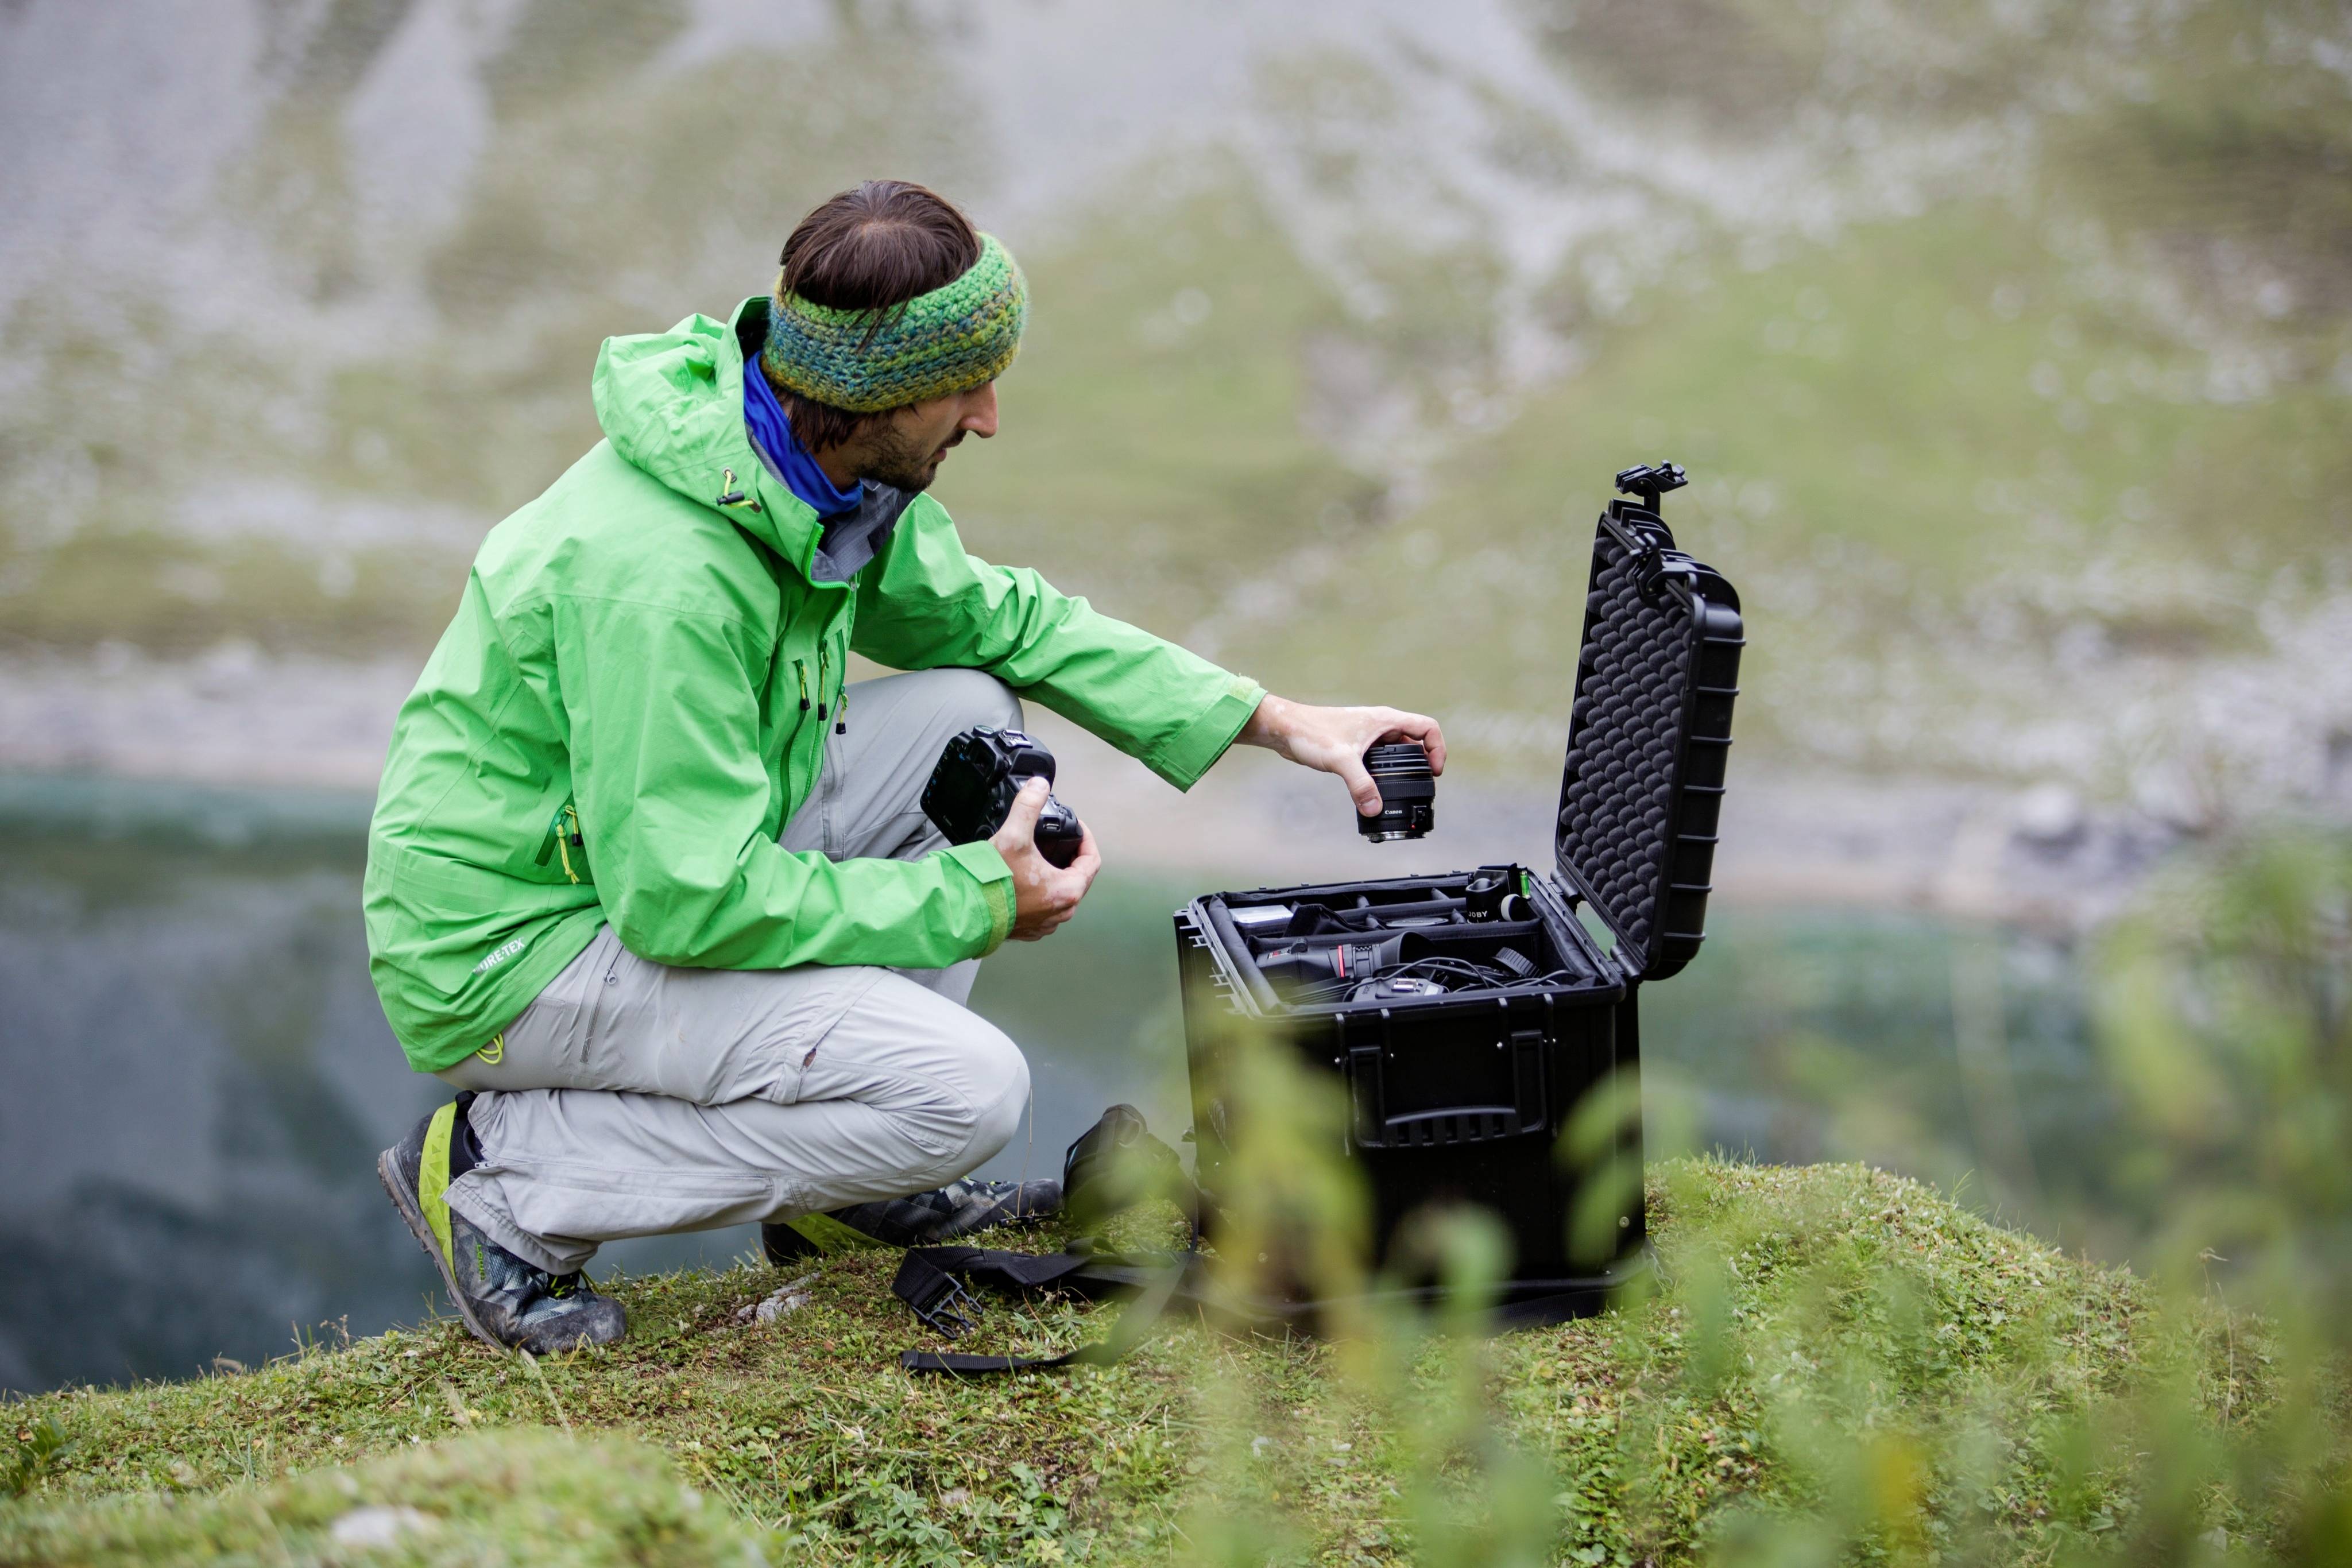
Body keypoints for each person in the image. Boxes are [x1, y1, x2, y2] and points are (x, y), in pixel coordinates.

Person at [368, 180, 1445, 1353]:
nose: (987, 417)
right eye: (964, 386)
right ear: (873, 394)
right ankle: (508, 1181)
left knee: (966, 719)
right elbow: (682, 899)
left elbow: (1002, 622)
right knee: (966, 1095)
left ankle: (848, 1195)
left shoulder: (812, 472)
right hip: (515, 951)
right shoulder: (664, 580)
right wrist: (975, 896)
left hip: (639, 861)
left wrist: (1276, 720)